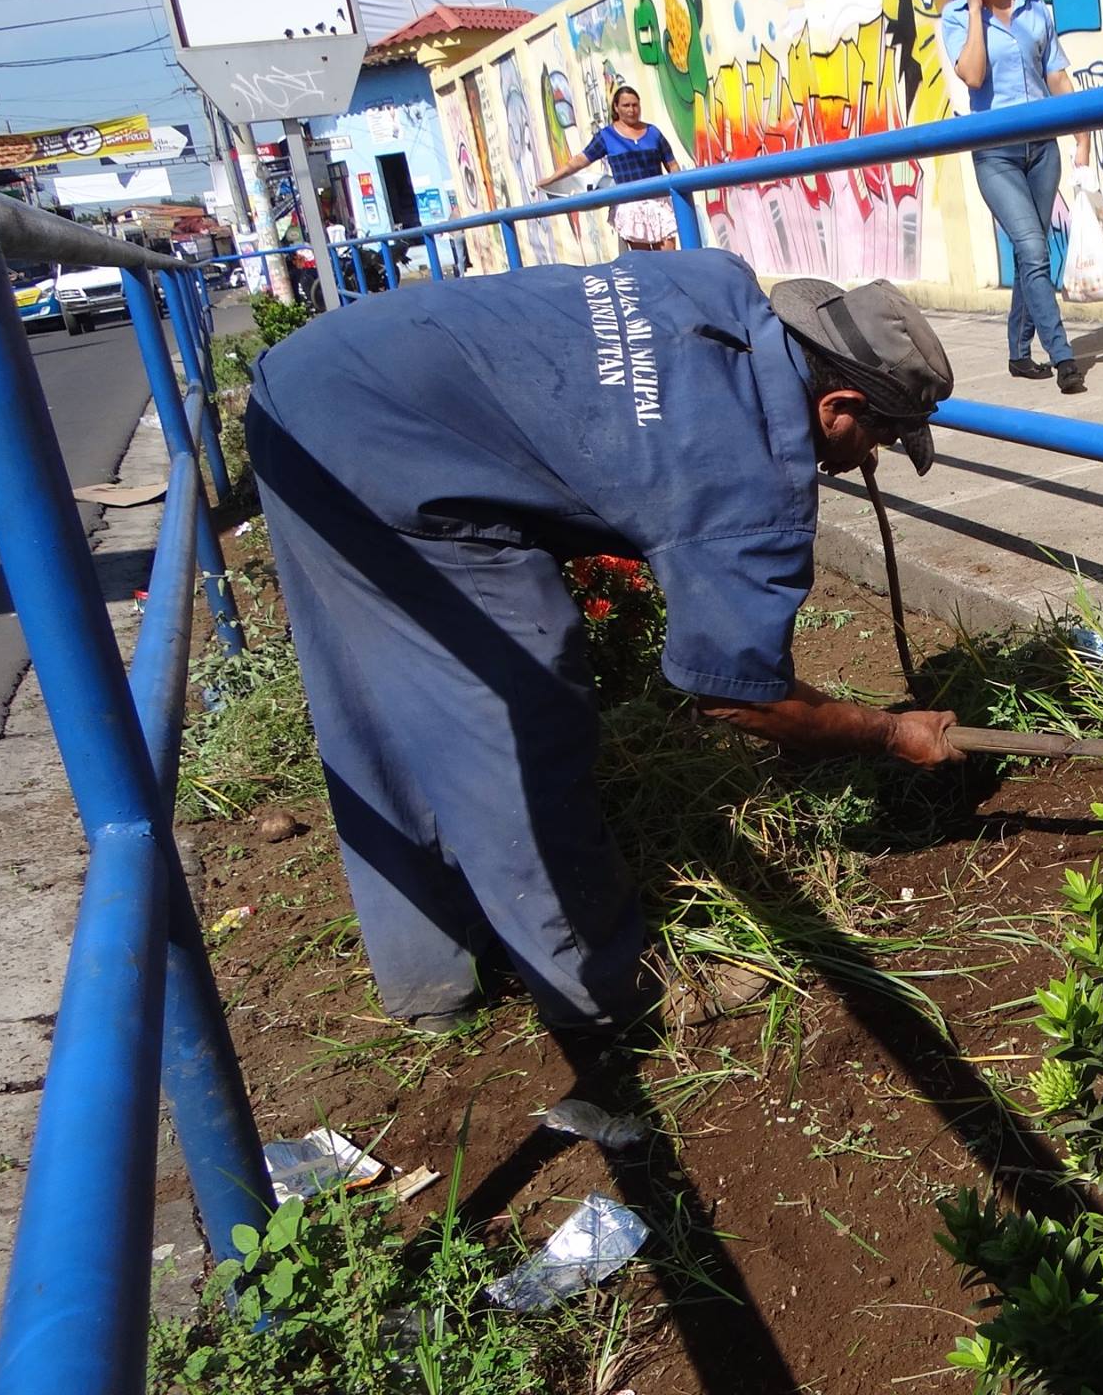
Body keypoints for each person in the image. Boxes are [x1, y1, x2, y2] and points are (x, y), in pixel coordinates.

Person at [246, 249, 962, 1034]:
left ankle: (433, 983)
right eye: (883, 441)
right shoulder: (741, 482)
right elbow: (736, 698)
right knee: (521, 715)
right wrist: (890, 733)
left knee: (380, 689)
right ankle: (609, 996)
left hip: (319, 379)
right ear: (839, 406)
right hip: (387, 449)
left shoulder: (713, 283)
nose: (871, 460)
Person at [940, 0, 1095, 396]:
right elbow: (973, 76)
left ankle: (1017, 351)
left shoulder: (1033, 5)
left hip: (1043, 148)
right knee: (1032, 249)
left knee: (1033, 254)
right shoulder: (956, 18)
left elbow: (1055, 76)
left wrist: (1082, 137)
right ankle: (1064, 356)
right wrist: (972, 6)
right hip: (997, 156)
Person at [537, 85, 682, 251]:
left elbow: (672, 164)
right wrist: (551, 180)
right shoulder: (607, 136)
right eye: (626, 105)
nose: (631, 110)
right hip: (630, 206)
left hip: (659, 204)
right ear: (616, 107)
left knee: (669, 258)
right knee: (646, 263)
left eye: (635, 105)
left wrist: (680, 191)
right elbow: (579, 161)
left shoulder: (653, 132)